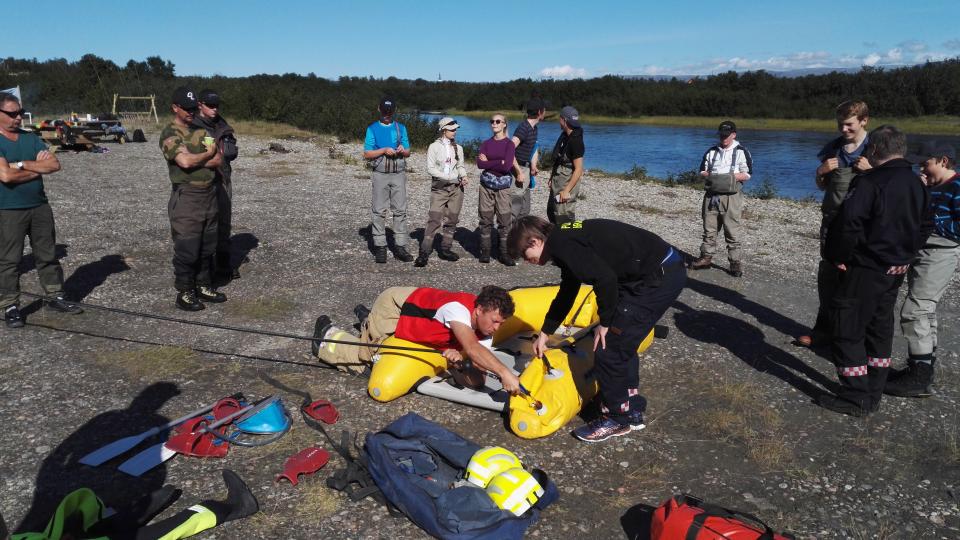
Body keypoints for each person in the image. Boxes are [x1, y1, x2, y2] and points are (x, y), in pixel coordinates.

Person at [507, 216, 686, 442]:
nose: (527, 261)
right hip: (653, 271)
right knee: (624, 343)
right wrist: (545, 333)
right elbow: (568, 291)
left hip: (657, 276)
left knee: (609, 346)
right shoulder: (563, 238)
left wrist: (606, 322)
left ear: (534, 241)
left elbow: (605, 280)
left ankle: (617, 419)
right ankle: (631, 408)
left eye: (525, 255)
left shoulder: (563, 244)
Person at [817, 125, 929, 417]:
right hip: (897, 267)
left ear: (875, 150)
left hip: (868, 266)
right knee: (879, 327)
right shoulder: (916, 181)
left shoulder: (870, 182)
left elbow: (849, 223)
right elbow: (927, 223)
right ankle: (874, 389)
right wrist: (908, 252)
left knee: (847, 326)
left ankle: (857, 397)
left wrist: (837, 256)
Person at [310, 285, 521, 394]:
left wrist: (459, 366)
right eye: (494, 321)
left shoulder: (484, 332)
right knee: (368, 363)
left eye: (501, 324)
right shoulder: (458, 309)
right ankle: (326, 338)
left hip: (416, 320)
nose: (496, 328)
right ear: (479, 310)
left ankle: (367, 320)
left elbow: (478, 381)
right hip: (396, 309)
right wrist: (504, 373)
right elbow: (472, 348)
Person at [0, 92, 82, 328]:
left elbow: (54, 164)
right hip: (8, 209)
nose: (18, 118)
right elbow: (5, 176)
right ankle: (10, 305)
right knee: (9, 260)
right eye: (12, 114)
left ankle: (55, 295)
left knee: (47, 255)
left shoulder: (30, 138)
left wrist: (21, 165)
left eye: (20, 113)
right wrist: (37, 169)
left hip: (39, 206)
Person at [884, 142, 959, 398]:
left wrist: (934, 225)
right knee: (926, 311)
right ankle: (923, 366)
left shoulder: (957, 188)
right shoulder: (931, 187)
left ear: (943, 161)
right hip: (923, 251)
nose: (921, 168)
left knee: (915, 310)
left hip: (941, 252)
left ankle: (919, 377)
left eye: (925, 163)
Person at [796, 101, 871, 348]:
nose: (844, 129)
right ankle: (823, 330)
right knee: (828, 275)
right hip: (832, 222)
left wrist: (870, 171)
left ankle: (852, 337)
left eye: (849, 124)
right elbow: (822, 186)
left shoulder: (876, 148)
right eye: (840, 124)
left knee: (856, 278)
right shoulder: (833, 148)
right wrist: (820, 171)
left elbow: (891, 187)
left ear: (863, 121)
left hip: (863, 227)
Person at [159, 87, 226, 311]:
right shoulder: (170, 133)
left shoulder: (200, 130)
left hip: (209, 194)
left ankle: (203, 285)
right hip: (187, 196)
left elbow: (219, 160)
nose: (190, 112)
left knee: (208, 245)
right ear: (175, 108)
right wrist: (205, 155)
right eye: (186, 109)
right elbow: (185, 163)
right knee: (188, 246)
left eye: (193, 108)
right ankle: (185, 291)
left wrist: (198, 157)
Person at [689, 121, 753, 277]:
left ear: (734, 135)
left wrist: (727, 178)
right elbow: (702, 171)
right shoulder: (711, 151)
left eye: (727, 135)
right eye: (721, 135)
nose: (724, 138)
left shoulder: (741, 152)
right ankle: (706, 258)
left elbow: (747, 174)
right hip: (712, 195)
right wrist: (712, 176)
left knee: (732, 231)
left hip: (731, 197)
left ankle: (735, 263)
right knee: (709, 228)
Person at [193, 89, 240, 280]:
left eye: (216, 105)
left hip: (223, 176)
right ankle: (202, 268)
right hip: (201, 179)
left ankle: (222, 263)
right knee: (203, 223)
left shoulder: (222, 124)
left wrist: (230, 149)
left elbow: (230, 149)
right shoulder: (192, 126)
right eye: (210, 105)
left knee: (224, 220)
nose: (214, 109)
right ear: (200, 105)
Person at [363, 98, 413, 264]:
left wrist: (402, 150)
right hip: (380, 173)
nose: (387, 114)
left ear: (394, 111)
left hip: (398, 173)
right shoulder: (372, 128)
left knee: (400, 210)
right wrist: (384, 150)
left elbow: (408, 151)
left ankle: (400, 246)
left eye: (390, 112)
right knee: (378, 211)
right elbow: (367, 153)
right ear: (379, 109)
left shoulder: (401, 128)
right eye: (385, 111)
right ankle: (380, 246)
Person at [415, 117, 468, 267]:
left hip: (456, 188)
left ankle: (445, 249)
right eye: (452, 129)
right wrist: (449, 176)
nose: (455, 131)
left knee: (452, 219)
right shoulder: (433, 147)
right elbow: (430, 168)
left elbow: (460, 166)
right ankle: (424, 252)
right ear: (444, 130)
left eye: (455, 129)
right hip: (439, 189)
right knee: (434, 220)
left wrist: (463, 176)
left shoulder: (459, 148)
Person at [476, 113, 519, 265]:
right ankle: (485, 252)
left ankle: (504, 253)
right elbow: (480, 165)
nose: (494, 123)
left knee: (504, 220)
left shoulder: (509, 144)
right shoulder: (486, 143)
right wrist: (498, 161)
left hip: (503, 188)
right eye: (492, 121)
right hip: (486, 186)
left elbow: (507, 166)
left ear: (504, 124)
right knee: (485, 219)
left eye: (497, 121)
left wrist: (490, 162)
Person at [546, 106, 584, 224]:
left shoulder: (576, 141)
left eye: (560, 118)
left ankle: (571, 238)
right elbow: (559, 158)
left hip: (567, 181)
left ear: (564, 120)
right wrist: (552, 177)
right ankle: (557, 237)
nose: (559, 121)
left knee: (564, 217)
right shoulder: (565, 136)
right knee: (552, 211)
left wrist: (567, 190)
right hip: (558, 179)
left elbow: (578, 169)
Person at [510, 97, 545, 221]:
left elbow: (534, 147)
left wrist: (533, 166)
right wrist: (518, 172)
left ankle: (518, 236)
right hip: (517, 170)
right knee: (514, 209)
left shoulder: (534, 128)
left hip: (526, 169)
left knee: (525, 209)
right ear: (540, 112)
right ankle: (505, 238)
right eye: (544, 110)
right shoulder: (523, 128)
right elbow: (509, 149)